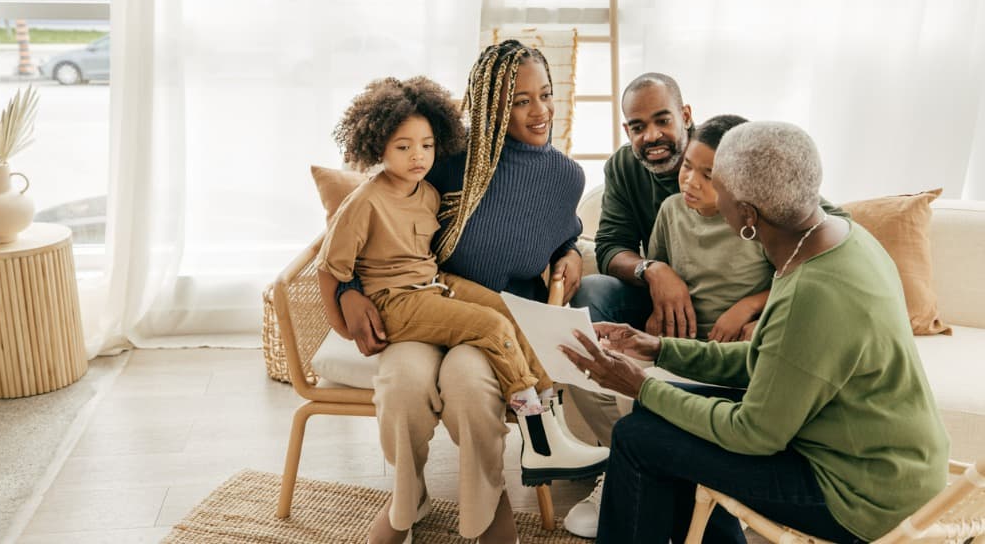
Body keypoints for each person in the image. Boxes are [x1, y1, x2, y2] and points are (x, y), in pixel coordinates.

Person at [562, 121, 950, 543]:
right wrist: (658, 349)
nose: (705, 193)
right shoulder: (840, 239)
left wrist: (640, 386)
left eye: (718, 185)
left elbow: (753, 434)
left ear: (748, 214)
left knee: (639, 438)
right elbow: (772, 359)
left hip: (862, 493)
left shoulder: (812, 291)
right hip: (886, 460)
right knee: (653, 421)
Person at [563, 75, 845, 538]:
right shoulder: (662, 199)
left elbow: (814, 234)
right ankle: (628, 464)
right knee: (593, 303)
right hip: (679, 316)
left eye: (662, 120)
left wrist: (753, 307)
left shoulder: (747, 170)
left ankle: (657, 470)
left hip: (744, 339)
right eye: (636, 126)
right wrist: (656, 275)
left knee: (659, 430)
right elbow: (613, 243)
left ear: (686, 117)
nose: (650, 135)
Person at [334, 41, 590, 544]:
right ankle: (408, 500)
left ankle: (486, 506)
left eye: (546, 95)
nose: (539, 112)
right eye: (520, 100)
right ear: (491, 104)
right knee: (403, 390)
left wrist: (573, 252)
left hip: (492, 322)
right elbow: (377, 218)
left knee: (471, 393)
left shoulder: (566, 177)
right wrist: (347, 288)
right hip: (420, 304)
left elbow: (562, 232)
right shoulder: (446, 157)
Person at [644, 113, 772, 342]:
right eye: (687, 166)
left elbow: (794, 281)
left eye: (708, 175)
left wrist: (749, 306)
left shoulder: (760, 219)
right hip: (682, 342)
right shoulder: (671, 210)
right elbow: (658, 275)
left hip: (738, 342)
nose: (691, 181)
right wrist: (656, 311)